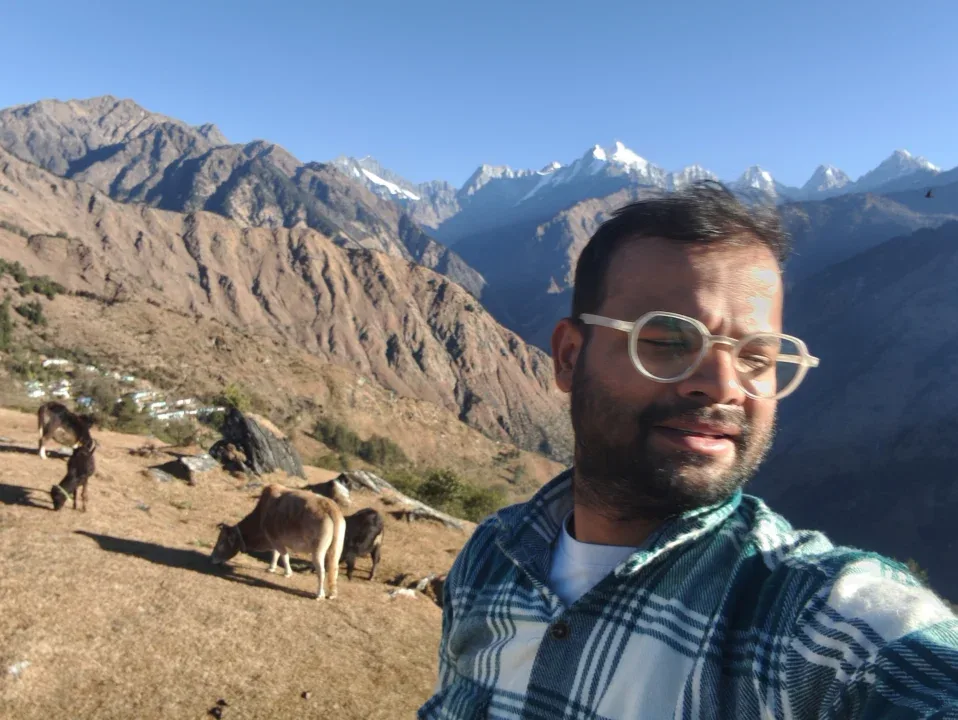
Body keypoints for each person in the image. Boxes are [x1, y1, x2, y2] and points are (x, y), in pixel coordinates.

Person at [419, 181, 958, 719]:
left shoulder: (815, 624)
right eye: (668, 340)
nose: (724, 385)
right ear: (568, 357)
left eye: (757, 357)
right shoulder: (490, 558)